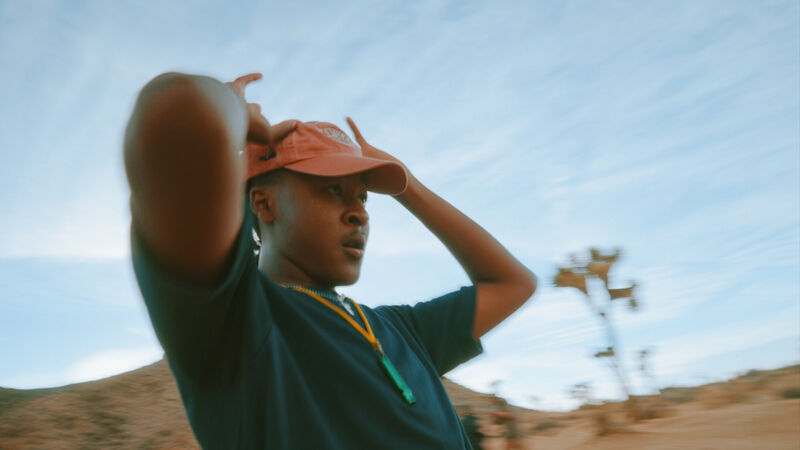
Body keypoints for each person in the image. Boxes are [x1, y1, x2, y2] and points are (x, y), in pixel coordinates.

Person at [123, 71, 537, 449]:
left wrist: (405, 185)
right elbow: (172, 110)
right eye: (332, 190)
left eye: (362, 195)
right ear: (264, 204)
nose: (360, 212)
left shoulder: (400, 329)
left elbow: (512, 284)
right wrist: (230, 111)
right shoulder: (236, 321)